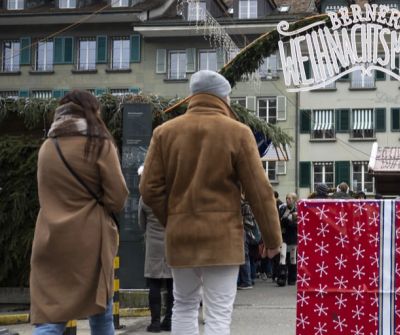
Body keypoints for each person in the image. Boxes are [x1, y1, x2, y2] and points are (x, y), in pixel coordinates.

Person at [140, 70, 282, 335]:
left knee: (183, 304)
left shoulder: (164, 132)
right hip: (222, 237)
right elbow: (259, 192)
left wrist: (173, 220)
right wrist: (273, 241)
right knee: (218, 312)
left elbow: (149, 189)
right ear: (224, 98)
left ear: (193, 96)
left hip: (181, 236)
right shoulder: (238, 132)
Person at [30, 90, 129, 334]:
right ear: (92, 112)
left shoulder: (47, 147)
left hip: (49, 238)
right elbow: (118, 197)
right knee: (101, 312)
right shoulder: (99, 144)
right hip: (90, 240)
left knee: (51, 316)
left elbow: (45, 193)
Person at [138, 166, 174, 332]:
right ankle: (169, 320)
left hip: (153, 244)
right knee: (172, 283)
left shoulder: (145, 198)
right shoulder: (171, 196)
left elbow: (141, 223)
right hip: (171, 243)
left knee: (154, 282)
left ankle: (155, 322)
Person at [277, 193, 299, 286]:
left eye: (289, 198)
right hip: (284, 235)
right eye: (287, 198)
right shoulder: (282, 209)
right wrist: (287, 221)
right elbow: (279, 220)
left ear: (294, 199)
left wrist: (287, 222)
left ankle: (292, 278)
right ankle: (281, 277)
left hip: (293, 236)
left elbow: (297, 224)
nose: (287, 200)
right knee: (282, 255)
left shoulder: (298, 210)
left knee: (293, 257)